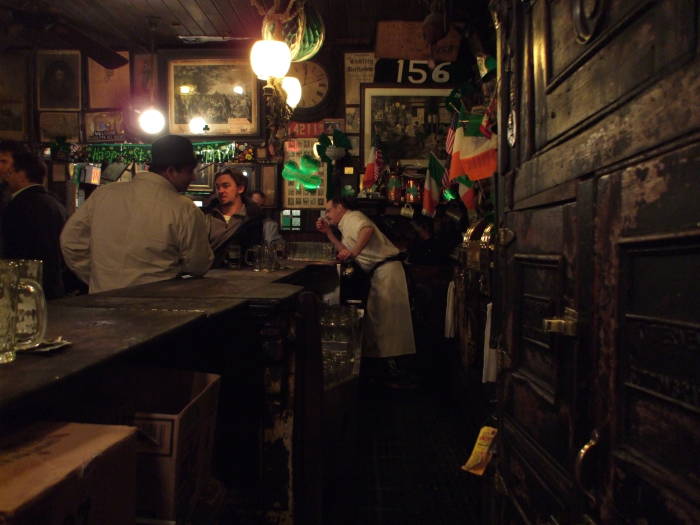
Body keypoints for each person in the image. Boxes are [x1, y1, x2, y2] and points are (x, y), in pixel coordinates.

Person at [60, 135, 213, 293]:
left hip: (103, 304)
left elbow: (70, 242)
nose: (193, 177)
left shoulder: (104, 194)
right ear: (171, 171)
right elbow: (198, 265)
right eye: (189, 171)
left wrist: (98, 277)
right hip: (157, 307)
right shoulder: (184, 208)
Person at [316, 198, 416, 387]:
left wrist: (353, 252)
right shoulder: (346, 224)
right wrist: (328, 233)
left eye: (329, 210)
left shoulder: (353, 217)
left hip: (388, 273)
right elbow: (345, 251)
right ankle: (390, 374)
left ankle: (400, 375)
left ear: (340, 207)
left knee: (392, 325)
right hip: (381, 274)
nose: (327, 214)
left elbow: (367, 231)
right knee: (383, 324)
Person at [0, 141, 68, 299]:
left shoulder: (20, 205)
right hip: (52, 287)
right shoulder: (53, 202)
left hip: (28, 288)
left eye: (4, 162)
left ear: (21, 173)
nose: (3, 173)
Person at [203, 168, 263, 267]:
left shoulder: (252, 218)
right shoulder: (206, 215)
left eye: (226, 186)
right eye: (218, 187)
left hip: (242, 275)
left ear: (240, 189)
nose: (220, 191)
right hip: (208, 273)